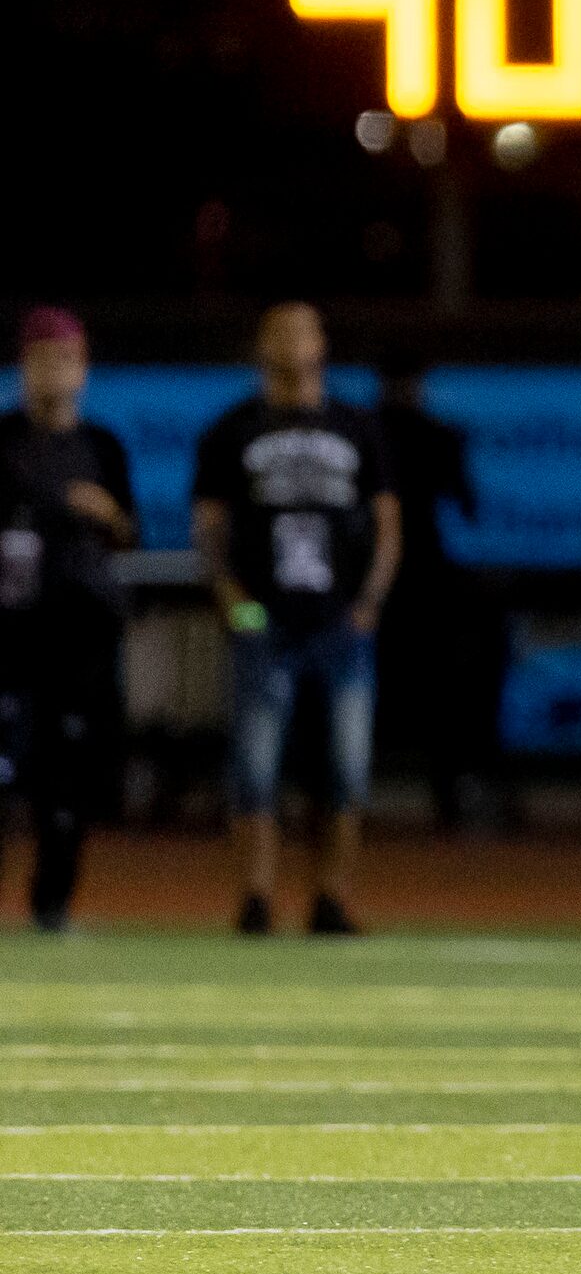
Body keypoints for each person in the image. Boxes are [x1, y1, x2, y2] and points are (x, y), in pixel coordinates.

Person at [192, 303, 399, 936]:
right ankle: (256, 899)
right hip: (266, 622)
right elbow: (210, 527)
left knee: (347, 766)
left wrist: (369, 601)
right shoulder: (232, 429)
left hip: (339, 622)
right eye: (278, 330)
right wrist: (231, 599)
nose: (292, 341)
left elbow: (389, 522)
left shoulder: (356, 426)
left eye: (304, 329)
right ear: (259, 345)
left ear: (322, 343)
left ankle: (330, 899)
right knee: (256, 767)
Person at [0, 309, 137, 930]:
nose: (53, 372)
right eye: (40, 359)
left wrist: (105, 511)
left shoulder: (102, 446)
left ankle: (51, 906)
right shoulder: (3, 441)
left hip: (79, 631)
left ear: (83, 369)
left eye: (65, 359)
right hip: (8, 632)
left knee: (67, 778)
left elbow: (128, 534)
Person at [371, 351, 499, 831]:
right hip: (407, 583)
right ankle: (444, 795)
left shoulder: (385, 432)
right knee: (431, 690)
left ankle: (443, 795)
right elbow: (468, 504)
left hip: (402, 583)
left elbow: (467, 504)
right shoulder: (427, 434)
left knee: (422, 690)